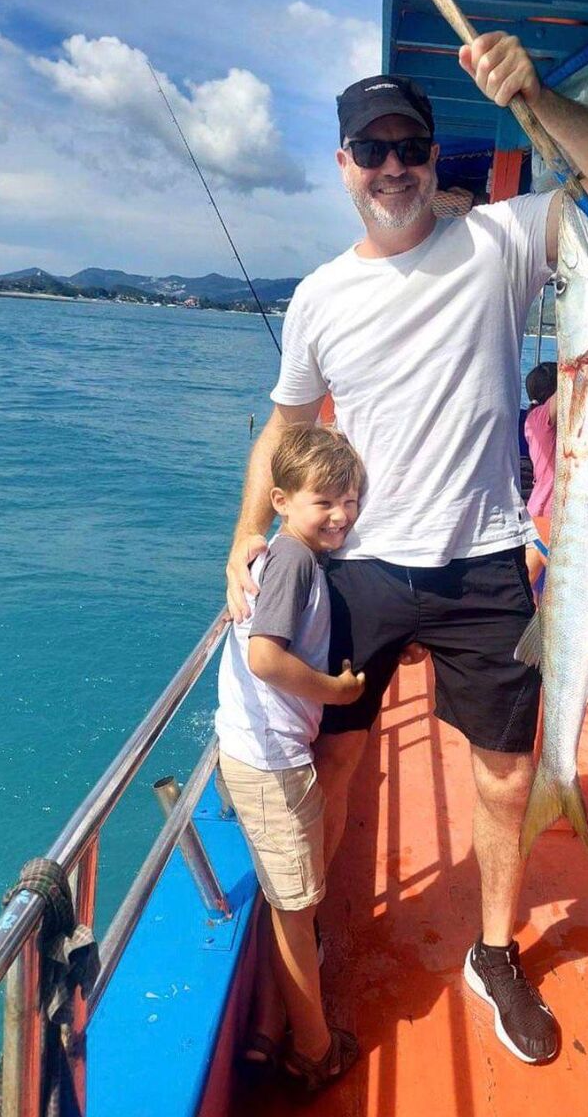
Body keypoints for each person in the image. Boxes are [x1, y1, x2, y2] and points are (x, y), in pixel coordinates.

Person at [225, 30, 588, 1064]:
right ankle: (323, 925)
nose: (390, 166)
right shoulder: (321, 296)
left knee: (505, 774)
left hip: (483, 559)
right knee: (336, 761)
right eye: (368, 149)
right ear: (342, 164)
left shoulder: (506, 239)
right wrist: (246, 530)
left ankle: (494, 948)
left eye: (408, 144)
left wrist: (538, 97)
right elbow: (285, 428)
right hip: (359, 566)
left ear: (434, 153)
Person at [216, 423, 366, 1092]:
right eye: (324, 501)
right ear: (280, 500)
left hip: (254, 752)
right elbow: (265, 656)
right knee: (296, 909)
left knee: (289, 902)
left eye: (351, 499)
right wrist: (333, 691)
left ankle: (272, 1027)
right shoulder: (296, 561)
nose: (341, 513)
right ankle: (313, 1050)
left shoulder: (275, 553)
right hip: (274, 765)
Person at [523, 362, 557, 585]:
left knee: (529, 586)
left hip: (538, 508)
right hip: (548, 512)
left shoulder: (532, 418)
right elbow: (570, 386)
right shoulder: (542, 418)